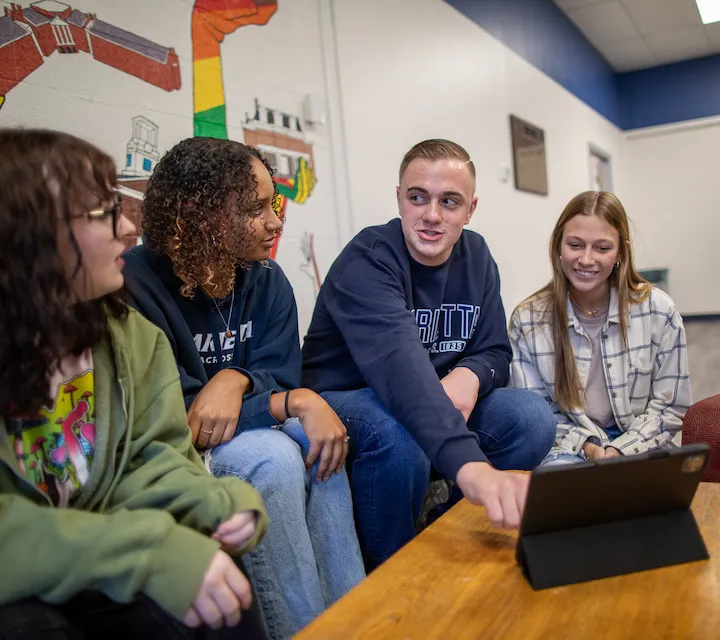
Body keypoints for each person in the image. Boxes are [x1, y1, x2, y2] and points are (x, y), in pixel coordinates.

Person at [0, 129, 269, 639]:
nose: (129, 228)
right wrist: (149, 551)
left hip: (105, 557)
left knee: (223, 595)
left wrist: (218, 500)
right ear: (29, 236)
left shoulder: (130, 336)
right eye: (104, 214)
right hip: (30, 580)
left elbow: (155, 454)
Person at [122, 137, 364, 640]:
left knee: (322, 443)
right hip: (181, 451)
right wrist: (289, 400)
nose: (276, 222)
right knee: (273, 455)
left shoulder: (268, 278)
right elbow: (188, 418)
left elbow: (279, 373)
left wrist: (239, 379)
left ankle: (358, 622)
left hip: (259, 423)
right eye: (256, 209)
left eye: (273, 205)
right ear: (201, 214)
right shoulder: (138, 282)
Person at [301, 139, 556, 570]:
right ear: (399, 198)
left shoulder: (477, 255)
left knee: (530, 417)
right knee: (398, 430)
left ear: (471, 209)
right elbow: (402, 375)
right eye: (417, 197)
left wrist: (469, 376)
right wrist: (470, 466)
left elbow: (495, 349)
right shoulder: (368, 260)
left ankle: (448, 530)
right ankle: (391, 568)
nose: (432, 215)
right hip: (351, 399)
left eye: (449, 201)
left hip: (429, 397)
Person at [509, 191, 690, 465]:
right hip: (568, 444)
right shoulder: (528, 320)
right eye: (575, 245)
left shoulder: (659, 311)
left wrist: (619, 451)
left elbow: (669, 407)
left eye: (602, 248)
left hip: (641, 440)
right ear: (558, 246)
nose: (586, 259)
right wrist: (591, 447)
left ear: (620, 252)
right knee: (570, 500)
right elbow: (537, 415)